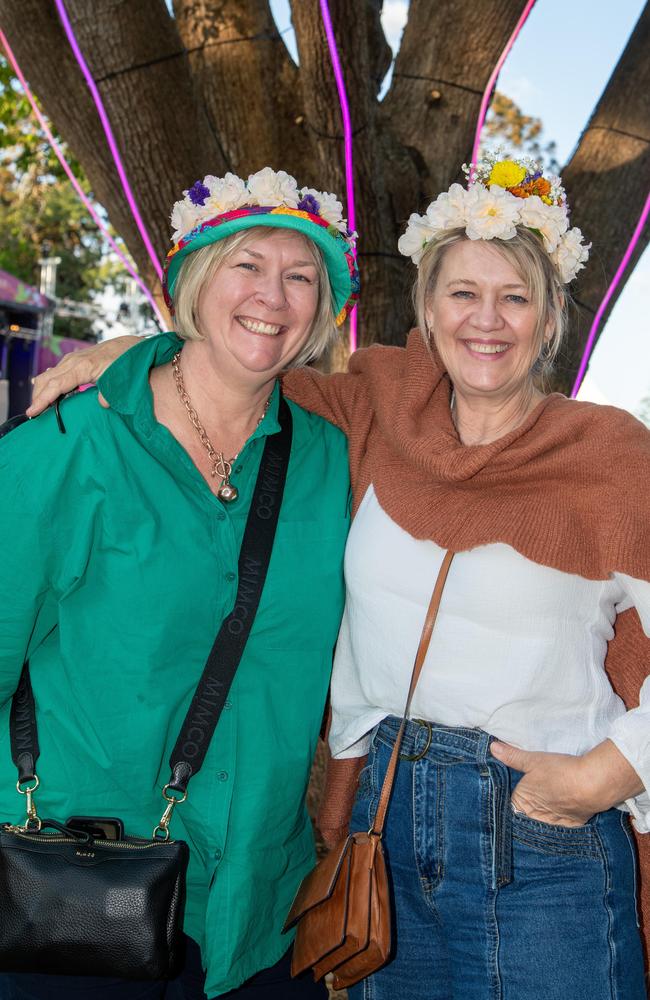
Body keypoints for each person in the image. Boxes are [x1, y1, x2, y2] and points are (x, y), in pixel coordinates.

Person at [29, 154, 650, 999]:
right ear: (426, 315)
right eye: (463, 294)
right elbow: (240, 366)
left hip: (540, 832)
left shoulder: (610, 457)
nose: (488, 320)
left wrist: (614, 770)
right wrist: (131, 347)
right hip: (380, 830)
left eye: (516, 297)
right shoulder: (372, 420)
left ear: (549, 322)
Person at [0, 167, 359, 999]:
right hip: (69, 901)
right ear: (194, 282)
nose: (273, 294)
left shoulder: (332, 460)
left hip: (257, 915)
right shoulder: (65, 448)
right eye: (246, 264)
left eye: (301, 276)